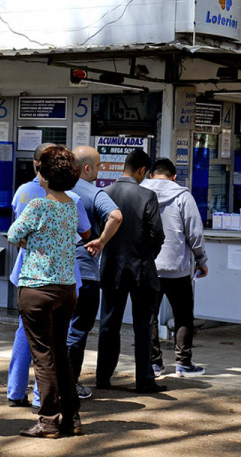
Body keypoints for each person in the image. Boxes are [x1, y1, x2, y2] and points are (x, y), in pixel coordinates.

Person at [6, 143, 92, 409]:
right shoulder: (72, 203)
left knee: (33, 343)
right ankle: (62, 409)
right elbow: (85, 233)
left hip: (34, 282)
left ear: (41, 170)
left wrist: (33, 242)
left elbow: (13, 234)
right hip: (65, 283)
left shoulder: (31, 199)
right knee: (57, 348)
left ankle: (27, 397)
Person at [96, 149, 166, 393]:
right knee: (144, 325)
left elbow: (97, 231)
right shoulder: (147, 195)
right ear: (142, 171)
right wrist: (148, 254)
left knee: (108, 324)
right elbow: (157, 233)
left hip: (111, 267)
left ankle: (103, 377)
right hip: (141, 269)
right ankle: (144, 379)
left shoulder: (105, 193)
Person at [141, 158, 208, 378]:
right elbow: (194, 233)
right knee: (183, 315)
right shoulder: (183, 197)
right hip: (176, 266)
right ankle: (183, 363)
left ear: (151, 175)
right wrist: (201, 260)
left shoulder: (140, 192)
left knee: (148, 315)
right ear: (174, 177)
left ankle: (153, 364)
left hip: (148, 265)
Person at [68, 146, 124, 397]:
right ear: (87, 168)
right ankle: (70, 383)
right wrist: (101, 240)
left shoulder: (46, 189)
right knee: (77, 330)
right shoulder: (92, 193)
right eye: (99, 166)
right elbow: (116, 215)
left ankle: (43, 385)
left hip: (50, 274)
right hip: (85, 273)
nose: (100, 170)